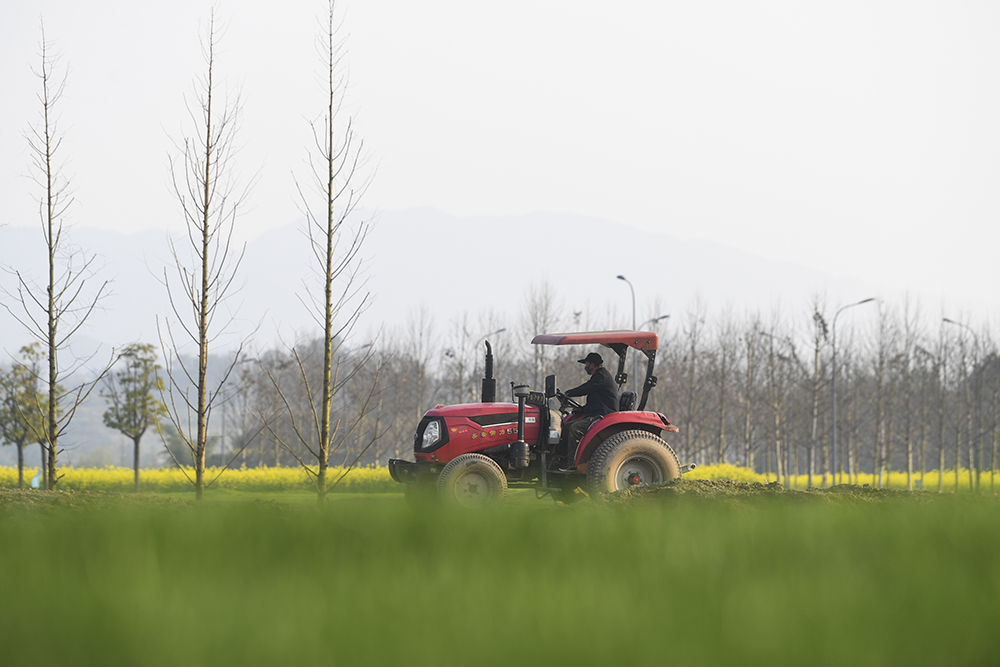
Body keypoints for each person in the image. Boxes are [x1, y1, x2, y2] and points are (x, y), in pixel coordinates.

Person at [561, 351, 618, 466]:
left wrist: (569, 393)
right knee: (566, 426)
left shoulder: (601, 376)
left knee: (575, 428)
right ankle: (561, 459)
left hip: (603, 415)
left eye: (587, 364)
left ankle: (572, 464)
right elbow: (595, 401)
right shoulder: (598, 376)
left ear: (593, 364)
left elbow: (586, 388)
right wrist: (582, 409)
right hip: (596, 412)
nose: (586, 367)